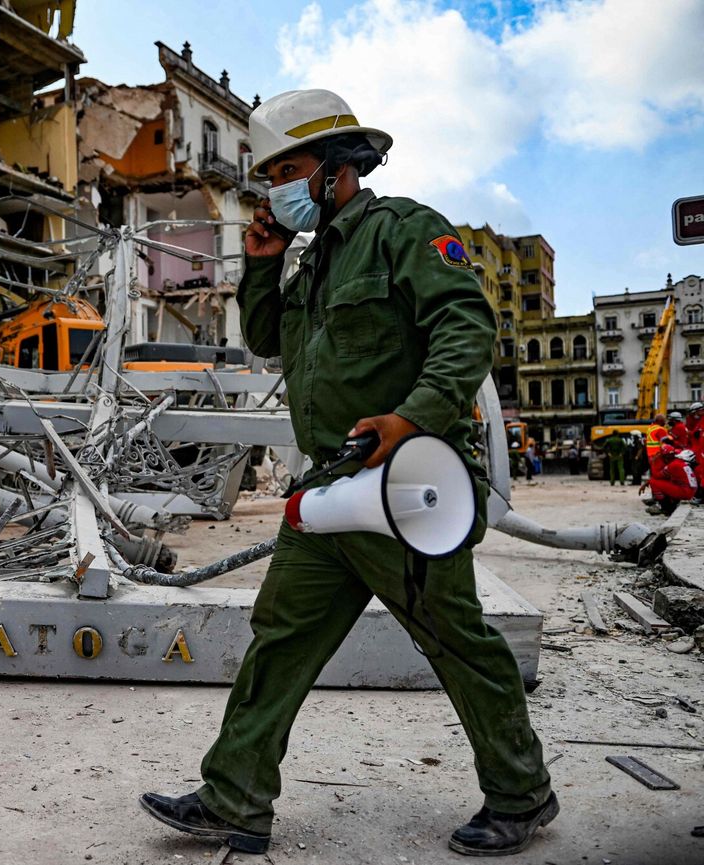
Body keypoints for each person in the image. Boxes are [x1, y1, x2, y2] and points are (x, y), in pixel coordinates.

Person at [138, 89, 555, 858]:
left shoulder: (404, 232)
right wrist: (262, 267)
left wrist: (414, 416)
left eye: (287, 169)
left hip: (403, 485)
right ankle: (235, 797)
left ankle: (521, 793)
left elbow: (466, 329)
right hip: (331, 489)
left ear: (337, 169)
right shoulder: (308, 261)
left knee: (455, 639)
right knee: (281, 638)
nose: (274, 189)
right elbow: (267, 339)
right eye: (268, 175)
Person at [640, 439, 697, 516]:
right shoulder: (679, 461)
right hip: (690, 490)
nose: (669, 457)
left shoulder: (673, 465)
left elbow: (658, 476)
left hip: (685, 492)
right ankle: (670, 503)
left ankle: (665, 507)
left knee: (654, 482)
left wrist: (648, 482)